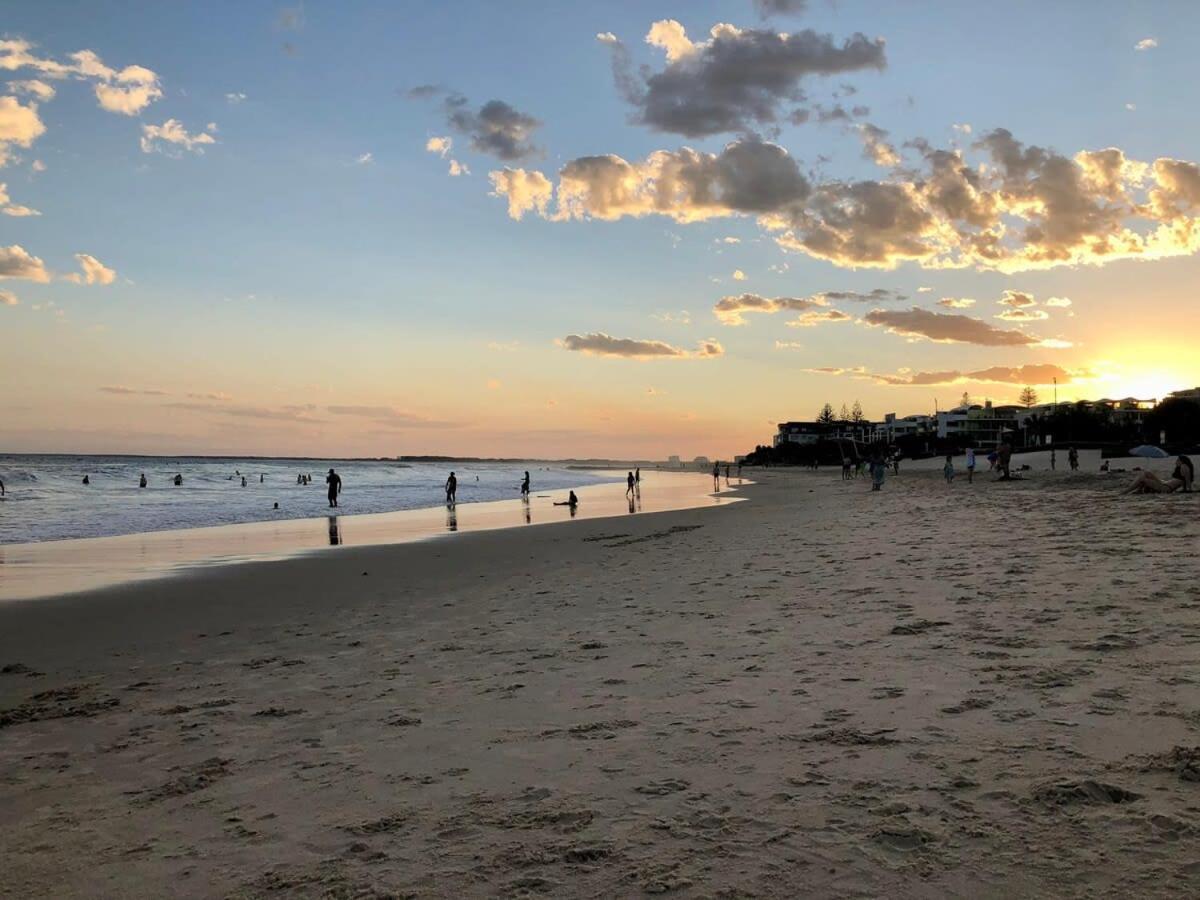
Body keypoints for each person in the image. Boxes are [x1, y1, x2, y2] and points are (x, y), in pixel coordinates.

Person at [1122, 456, 1193, 494]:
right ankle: (1138, 490)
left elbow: (1187, 479)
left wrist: (1189, 490)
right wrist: (1184, 489)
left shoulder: (1184, 466)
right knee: (1147, 473)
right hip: (1165, 483)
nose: (1176, 462)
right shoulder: (1181, 467)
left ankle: (1126, 492)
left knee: (1143, 479)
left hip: (1166, 488)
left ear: (1182, 461)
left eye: (1177, 460)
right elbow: (1184, 481)